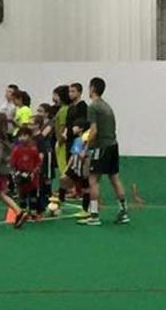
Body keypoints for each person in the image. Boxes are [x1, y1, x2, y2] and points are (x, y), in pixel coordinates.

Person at [78, 77, 129, 227]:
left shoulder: (93, 107)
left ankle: (94, 215)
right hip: (113, 145)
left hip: (101, 147)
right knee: (114, 178)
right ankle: (123, 212)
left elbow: (93, 131)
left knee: (93, 180)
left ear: (92, 88)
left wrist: (85, 148)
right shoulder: (106, 106)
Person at [11, 126, 42, 219]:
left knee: (33, 195)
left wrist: (34, 172)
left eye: (24, 135)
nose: (22, 138)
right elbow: (13, 163)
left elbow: (38, 162)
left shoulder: (33, 149)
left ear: (29, 136)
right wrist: (15, 173)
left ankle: (33, 212)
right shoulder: (16, 149)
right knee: (22, 195)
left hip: (32, 176)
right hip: (20, 175)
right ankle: (23, 213)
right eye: (20, 136)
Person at [33, 104, 55, 215]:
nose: (38, 112)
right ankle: (44, 203)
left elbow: (43, 135)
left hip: (47, 153)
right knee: (41, 181)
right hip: (40, 153)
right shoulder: (35, 136)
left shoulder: (49, 124)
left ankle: (52, 202)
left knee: (47, 179)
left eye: (41, 111)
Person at [52, 85, 71, 177]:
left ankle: (67, 189)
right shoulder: (63, 109)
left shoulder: (64, 110)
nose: (53, 98)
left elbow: (63, 127)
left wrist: (59, 141)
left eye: (56, 96)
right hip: (60, 141)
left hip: (62, 143)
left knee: (63, 168)